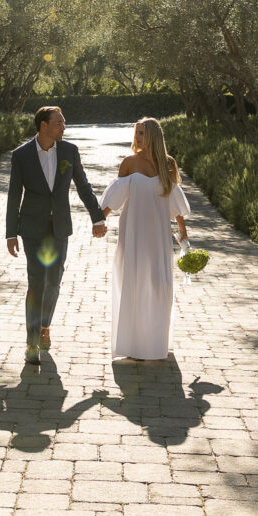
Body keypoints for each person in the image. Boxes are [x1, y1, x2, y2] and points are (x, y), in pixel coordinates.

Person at [6, 105, 107, 365]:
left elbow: (84, 186)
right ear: (44, 126)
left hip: (59, 227)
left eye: (63, 123)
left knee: (54, 281)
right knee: (36, 281)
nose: (64, 127)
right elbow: (14, 194)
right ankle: (31, 344)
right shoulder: (22, 155)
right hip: (31, 228)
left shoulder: (69, 151)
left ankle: (44, 326)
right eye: (59, 123)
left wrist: (97, 217)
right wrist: (10, 233)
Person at [100, 117, 190, 360]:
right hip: (133, 232)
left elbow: (175, 202)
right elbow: (115, 197)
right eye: (136, 133)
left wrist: (182, 231)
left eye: (142, 133)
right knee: (133, 281)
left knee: (158, 284)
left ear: (153, 136)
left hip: (158, 235)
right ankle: (131, 344)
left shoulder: (167, 164)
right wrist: (100, 219)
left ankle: (154, 344)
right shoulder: (129, 163)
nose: (137, 138)